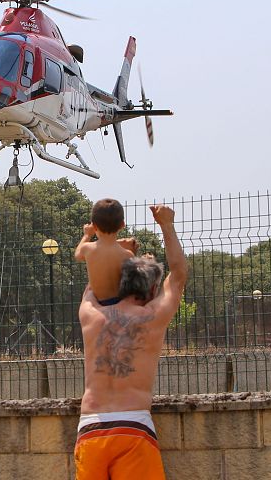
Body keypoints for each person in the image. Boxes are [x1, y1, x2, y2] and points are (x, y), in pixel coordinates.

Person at [74, 204, 187, 480]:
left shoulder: (90, 313)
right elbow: (178, 276)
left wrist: (114, 249)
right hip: (134, 427)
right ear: (152, 288)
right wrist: (167, 225)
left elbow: (94, 281)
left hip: (90, 428)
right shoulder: (152, 318)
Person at [75, 198, 139, 306]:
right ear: (122, 225)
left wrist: (87, 235)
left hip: (98, 303)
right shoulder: (127, 254)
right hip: (120, 303)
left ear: (94, 226)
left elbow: (77, 255)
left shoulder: (88, 248)